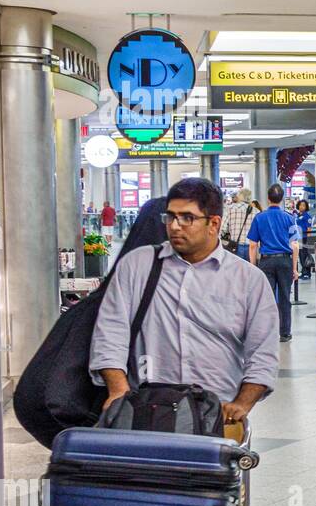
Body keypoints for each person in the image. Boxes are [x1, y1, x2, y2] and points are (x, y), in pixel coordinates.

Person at [89, 177, 279, 424]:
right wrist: (118, 390)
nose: (175, 226)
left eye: (187, 218)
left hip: (216, 414)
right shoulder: (138, 265)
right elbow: (111, 331)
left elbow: (263, 352)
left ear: (214, 223)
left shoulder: (248, 280)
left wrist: (242, 404)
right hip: (147, 410)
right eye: (170, 217)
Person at [246, 184, 300, 343]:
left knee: (266, 299)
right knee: (285, 298)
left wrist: (253, 266)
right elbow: (295, 244)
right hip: (284, 261)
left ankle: (267, 332)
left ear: (268, 198)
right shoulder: (289, 217)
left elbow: (252, 245)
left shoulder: (259, 217)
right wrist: (295, 268)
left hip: (266, 262)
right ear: (282, 198)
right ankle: (285, 332)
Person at [221, 188, 259, 262]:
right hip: (251, 248)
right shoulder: (256, 211)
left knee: (235, 272)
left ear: (239, 196)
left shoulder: (229, 209)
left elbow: (223, 228)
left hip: (235, 247)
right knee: (250, 272)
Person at [294, 199, 314, 279]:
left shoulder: (307, 216)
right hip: (298, 238)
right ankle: (303, 272)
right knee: (300, 256)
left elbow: (309, 228)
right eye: (300, 205)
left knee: (305, 256)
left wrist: (309, 240)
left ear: (306, 207)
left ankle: (307, 273)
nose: (301, 207)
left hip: (305, 238)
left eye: (303, 205)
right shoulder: (297, 215)